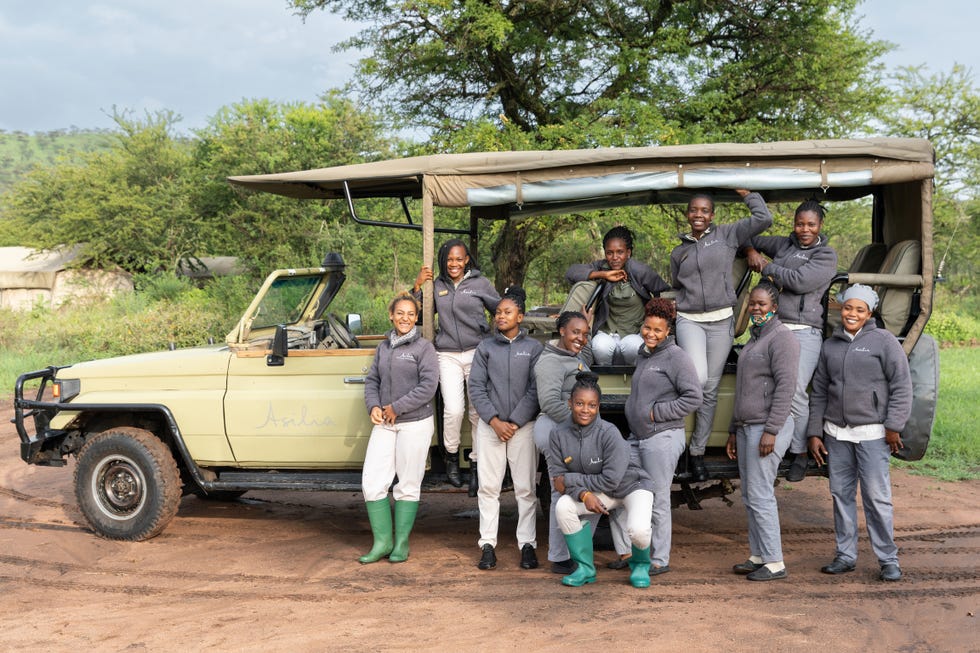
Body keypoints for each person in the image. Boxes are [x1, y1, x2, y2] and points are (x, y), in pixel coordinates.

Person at [807, 284, 912, 582]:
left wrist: (893, 426)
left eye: (860, 309)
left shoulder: (884, 341)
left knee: (876, 498)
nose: (853, 314)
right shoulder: (831, 345)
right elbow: (819, 392)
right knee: (840, 495)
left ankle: (888, 560)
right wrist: (815, 431)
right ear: (841, 307)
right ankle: (845, 555)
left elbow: (902, 386)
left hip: (873, 433)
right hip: (836, 434)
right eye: (849, 307)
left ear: (870, 312)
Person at [671, 189, 773, 481]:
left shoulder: (727, 235)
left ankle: (698, 452)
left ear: (712, 215)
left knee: (711, 388)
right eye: (694, 210)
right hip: (690, 320)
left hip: (721, 321)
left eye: (704, 210)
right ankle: (675, 444)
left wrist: (750, 194)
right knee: (697, 380)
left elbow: (763, 218)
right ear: (688, 214)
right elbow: (677, 284)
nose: (699, 215)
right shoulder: (679, 251)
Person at [744, 199, 838, 482]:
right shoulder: (785, 245)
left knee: (795, 390)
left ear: (820, 225)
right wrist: (750, 250)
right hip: (774, 328)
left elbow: (798, 281)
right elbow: (745, 236)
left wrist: (766, 267)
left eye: (811, 224)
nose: (804, 229)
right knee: (766, 387)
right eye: (800, 224)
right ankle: (776, 445)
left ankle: (798, 451)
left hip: (804, 329)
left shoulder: (825, 255)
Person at [613, 298, 702, 575]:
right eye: (647, 327)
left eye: (657, 330)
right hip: (638, 437)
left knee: (658, 499)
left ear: (668, 331)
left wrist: (656, 413)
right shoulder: (644, 353)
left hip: (662, 437)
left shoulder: (676, 357)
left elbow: (694, 397)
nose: (650, 334)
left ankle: (659, 559)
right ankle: (628, 552)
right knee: (620, 489)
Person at [548, 372, 655, 588]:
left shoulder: (609, 432)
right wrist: (583, 494)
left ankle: (641, 565)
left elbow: (610, 480)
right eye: (580, 403)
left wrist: (569, 479)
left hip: (632, 486)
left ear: (598, 407)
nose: (585, 410)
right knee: (563, 506)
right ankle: (586, 569)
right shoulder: (558, 434)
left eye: (592, 405)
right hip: (602, 492)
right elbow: (556, 480)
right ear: (570, 403)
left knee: (639, 530)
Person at [726, 280, 800, 581]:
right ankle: (758, 555)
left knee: (760, 494)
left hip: (766, 428)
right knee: (750, 495)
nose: (756, 309)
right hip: (747, 427)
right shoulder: (757, 338)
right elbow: (744, 389)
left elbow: (786, 388)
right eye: (753, 304)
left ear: (774, 307)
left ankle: (774, 562)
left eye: (762, 305)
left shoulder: (782, 339)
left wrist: (772, 430)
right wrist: (733, 429)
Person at [414, 239, 500, 494]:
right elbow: (417, 315)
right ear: (444, 261)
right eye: (450, 259)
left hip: (477, 351)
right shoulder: (436, 285)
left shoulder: (480, 283)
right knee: (453, 410)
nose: (454, 264)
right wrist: (418, 284)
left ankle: (476, 465)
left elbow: (500, 309)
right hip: (447, 353)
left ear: (467, 260)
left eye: (459, 259)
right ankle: (451, 457)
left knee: (477, 411)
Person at [359, 292, 440, 564]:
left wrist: (397, 407)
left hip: (415, 423)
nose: (405, 318)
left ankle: (401, 544)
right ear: (391, 316)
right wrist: (373, 405)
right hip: (385, 422)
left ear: (416, 318)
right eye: (400, 313)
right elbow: (372, 380)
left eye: (410, 314)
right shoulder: (384, 347)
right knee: (372, 482)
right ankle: (382, 542)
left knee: (407, 484)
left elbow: (428, 387)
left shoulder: (424, 348)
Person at [468, 286, 543, 571]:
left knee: (525, 488)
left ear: (520, 317)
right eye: (498, 312)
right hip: (492, 427)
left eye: (507, 312)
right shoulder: (485, 348)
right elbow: (476, 386)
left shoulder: (534, 349)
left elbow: (536, 389)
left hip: (522, 427)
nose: (500, 316)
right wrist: (495, 421)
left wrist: (515, 422)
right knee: (488, 488)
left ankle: (528, 545)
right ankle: (488, 545)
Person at [532, 310, 596, 574]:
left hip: (570, 429)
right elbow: (549, 403)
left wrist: (585, 327)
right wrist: (583, 426)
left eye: (584, 334)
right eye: (574, 332)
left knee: (580, 489)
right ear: (561, 331)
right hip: (556, 429)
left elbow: (583, 362)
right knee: (562, 491)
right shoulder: (550, 362)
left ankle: (574, 552)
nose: (580, 338)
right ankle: (560, 557)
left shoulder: (573, 356)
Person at [566, 226, 670, 366]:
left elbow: (663, 292)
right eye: (610, 253)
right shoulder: (603, 267)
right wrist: (602, 274)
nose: (615, 257)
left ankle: (633, 378)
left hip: (635, 332)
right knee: (599, 347)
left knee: (632, 346)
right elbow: (572, 272)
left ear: (628, 252)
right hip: (607, 332)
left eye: (620, 252)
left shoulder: (639, 271)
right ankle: (605, 381)